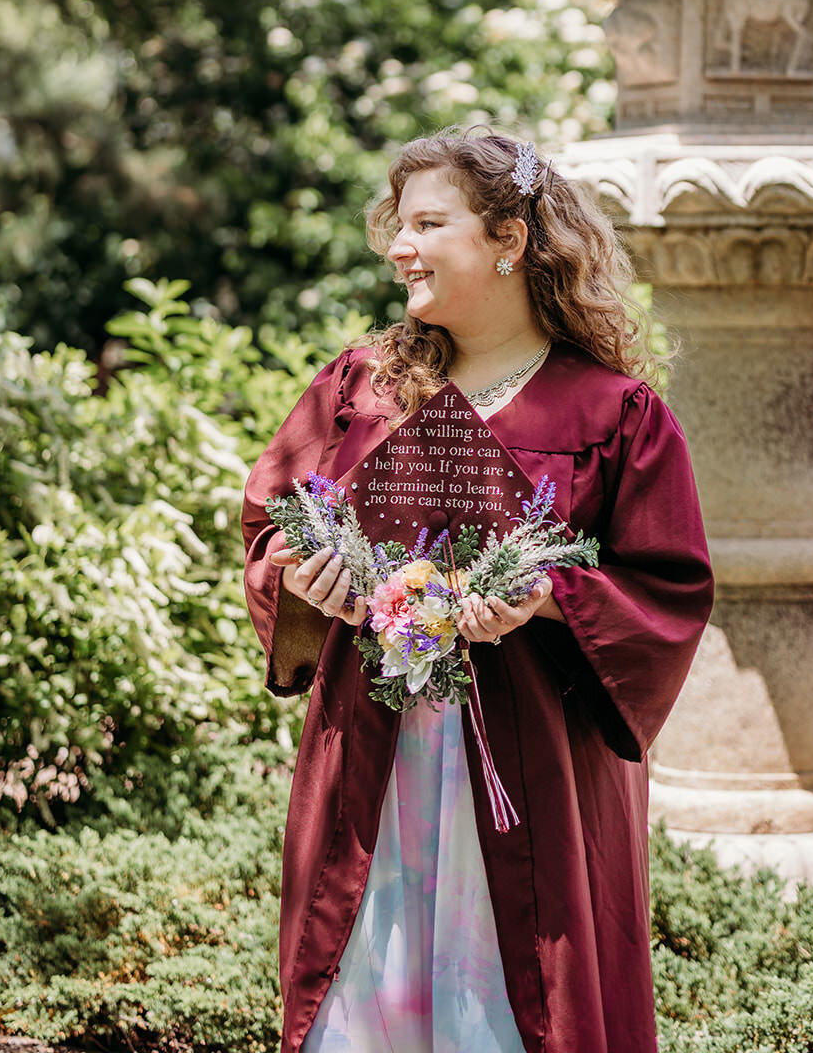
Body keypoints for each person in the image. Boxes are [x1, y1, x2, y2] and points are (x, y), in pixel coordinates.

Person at [241, 130, 714, 1053]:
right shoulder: (361, 389)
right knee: (365, 985)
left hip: (535, 764)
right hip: (374, 753)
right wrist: (306, 582)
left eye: (427, 223)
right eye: (397, 223)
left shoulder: (612, 414)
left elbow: (667, 587)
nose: (397, 246)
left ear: (508, 238)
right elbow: (270, 525)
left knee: (517, 998)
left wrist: (548, 597)